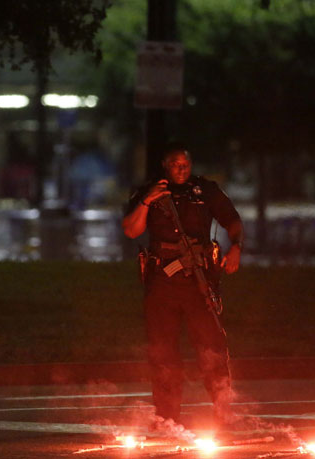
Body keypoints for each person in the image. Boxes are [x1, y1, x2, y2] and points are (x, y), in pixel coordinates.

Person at [122, 145, 244, 428]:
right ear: (165, 165)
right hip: (162, 283)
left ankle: (223, 411)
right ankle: (166, 418)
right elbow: (131, 230)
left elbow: (232, 220)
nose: (181, 169)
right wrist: (146, 202)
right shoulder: (148, 192)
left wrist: (236, 247)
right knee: (162, 351)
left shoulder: (204, 191)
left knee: (212, 346)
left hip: (199, 280)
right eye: (175, 164)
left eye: (185, 164)